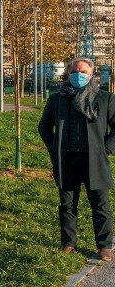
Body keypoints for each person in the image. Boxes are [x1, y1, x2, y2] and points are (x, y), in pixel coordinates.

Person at [38, 57, 115, 261]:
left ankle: (105, 246)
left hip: (95, 160)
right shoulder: (58, 98)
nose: (77, 75)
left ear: (91, 75)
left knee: (100, 205)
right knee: (67, 204)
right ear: (68, 74)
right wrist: (54, 147)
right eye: (74, 71)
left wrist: (106, 148)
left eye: (82, 72)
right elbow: (44, 125)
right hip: (67, 159)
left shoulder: (105, 98)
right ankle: (68, 242)